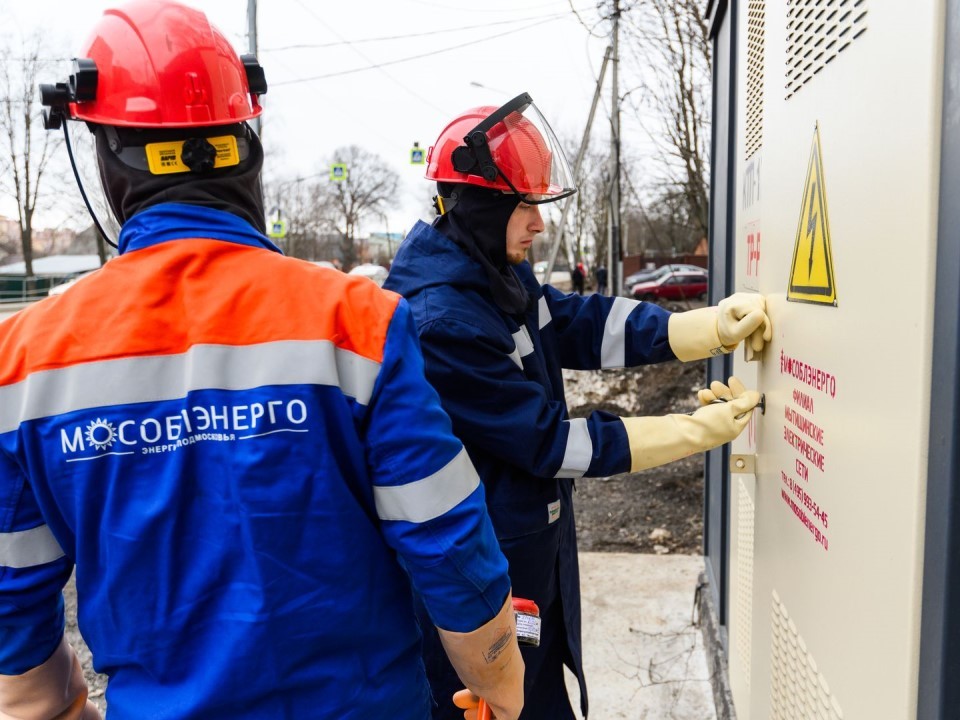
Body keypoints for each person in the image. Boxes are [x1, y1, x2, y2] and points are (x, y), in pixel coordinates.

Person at [0, 3, 524, 719]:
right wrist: (499, 684)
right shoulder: (357, 323)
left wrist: (57, 706)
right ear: (246, 145)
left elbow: (14, 608)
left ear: (103, 155)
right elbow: (450, 541)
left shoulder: (24, 363)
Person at [383, 92, 770, 720]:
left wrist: (699, 328)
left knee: (540, 697)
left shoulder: (492, 277)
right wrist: (690, 433)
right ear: (483, 207)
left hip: (525, 554)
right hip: (482, 580)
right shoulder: (442, 321)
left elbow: (576, 323)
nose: (538, 224)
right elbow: (547, 442)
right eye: (525, 207)